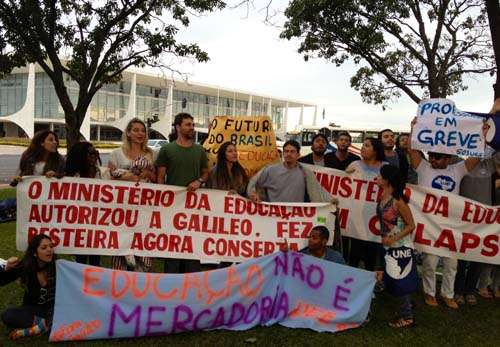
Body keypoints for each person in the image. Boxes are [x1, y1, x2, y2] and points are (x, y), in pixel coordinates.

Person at [409, 118, 486, 309]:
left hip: (451, 226)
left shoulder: (457, 170)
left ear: (448, 159)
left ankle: (448, 294)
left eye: (437, 158)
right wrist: (414, 129)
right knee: (430, 261)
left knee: (452, 263)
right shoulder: (424, 167)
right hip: (429, 224)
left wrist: (482, 136)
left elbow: (476, 157)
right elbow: (412, 150)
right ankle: (429, 292)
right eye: (431, 157)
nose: (433, 160)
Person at [155, 112, 209, 273]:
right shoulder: (167, 149)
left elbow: (205, 173)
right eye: (188, 125)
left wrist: (199, 181)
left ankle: (191, 285)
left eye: (192, 125)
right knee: (173, 247)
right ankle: (170, 286)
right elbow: (160, 177)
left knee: (192, 246)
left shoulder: (199, 150)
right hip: (173, 206)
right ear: (178, 127)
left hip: (193, 208)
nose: (191, 128)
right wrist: (164, 200)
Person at [109, 118, 155, 272]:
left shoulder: (152, 154)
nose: (140, 133)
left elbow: (157, 179)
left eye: (142, 130)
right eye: (135, 130)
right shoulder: (116, 153)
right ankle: (119, 280)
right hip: (121, 205)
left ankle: (141, 276)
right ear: (128, 133)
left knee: (142, 239)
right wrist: (128, 177)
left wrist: (147, 173)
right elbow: (109, 176)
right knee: (121, 241)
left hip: (144, 206)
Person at [375, 164, 417, 328]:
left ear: (387, 180)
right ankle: (407, 305)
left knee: (400, 281)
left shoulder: (398, 201)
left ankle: (407, 316)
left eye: (380, 176)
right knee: (394, 278)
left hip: (400, 247)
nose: (377, 178)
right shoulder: (384, 195)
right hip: (389, 246)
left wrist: (394, 239)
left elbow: (411, 225)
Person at [0, 235, 55, 340]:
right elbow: (2, 280)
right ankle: (45, 324)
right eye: (44, 248)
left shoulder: (58, 267)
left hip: (53, 310)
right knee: (8, 314)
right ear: (34, 253)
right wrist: (6, 268)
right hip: (33, 310)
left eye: (51, 246)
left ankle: (39, 327)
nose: (49, 250)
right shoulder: (26, 266)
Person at [345, 137, 385, 271]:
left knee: (371, 256)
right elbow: (343, 184)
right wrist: (345, 174)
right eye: (363, 145)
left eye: (367, 146)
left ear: (375, 150)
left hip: (375, 218)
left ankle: (368, 286)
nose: (363, 148)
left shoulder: (385, 168)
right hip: (356, 217)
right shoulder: (354, 165)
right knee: (354, 254)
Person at [248, 140, 332, 203]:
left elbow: (318, 191)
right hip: (273, 215)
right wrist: (253, 194)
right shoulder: (270, 170)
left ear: (298, 155)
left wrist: (331, 201)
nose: (288, 154)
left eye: (292, 151)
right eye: (286, 151)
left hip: (295, 217)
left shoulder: (305, 172)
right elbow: (253, 182)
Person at [65, 141, 103, 267]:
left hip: (98, 227)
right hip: (78, 228)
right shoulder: (70, 178)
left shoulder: (103, 174)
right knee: (80, 261)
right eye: (91, 153)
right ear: (80, 156)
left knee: (95, 261)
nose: (95, 156)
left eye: (96, 153)